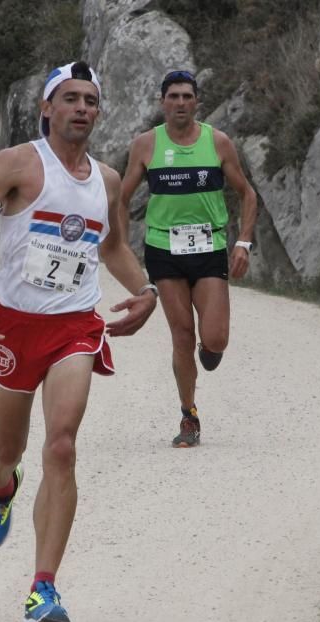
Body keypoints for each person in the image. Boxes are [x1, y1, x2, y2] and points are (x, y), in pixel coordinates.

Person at [0, 61, 157, 622]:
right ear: (47, 108)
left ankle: (43, 589)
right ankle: (1, 486)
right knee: (8, 447)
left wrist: (146, 290)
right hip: (11, 328)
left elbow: (112, 248)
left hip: (73, 328)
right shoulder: (17, 164)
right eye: (71, 98)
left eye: (91, 100)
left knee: (61, 447)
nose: (83, 108)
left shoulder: (108, 180)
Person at [119, 69, 258, 448]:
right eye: (173, 96)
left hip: (209, 248)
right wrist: (121, 245)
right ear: (163, 102)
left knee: (214, 340)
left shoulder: (218, 142)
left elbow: (247, 193)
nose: (180, 103)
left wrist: (243, 243)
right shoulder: (146, 145)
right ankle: (188, 416)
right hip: (164, 251)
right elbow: (121, 196)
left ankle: (208, 349)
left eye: (187, 96)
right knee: (181, 334)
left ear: (197, 101)